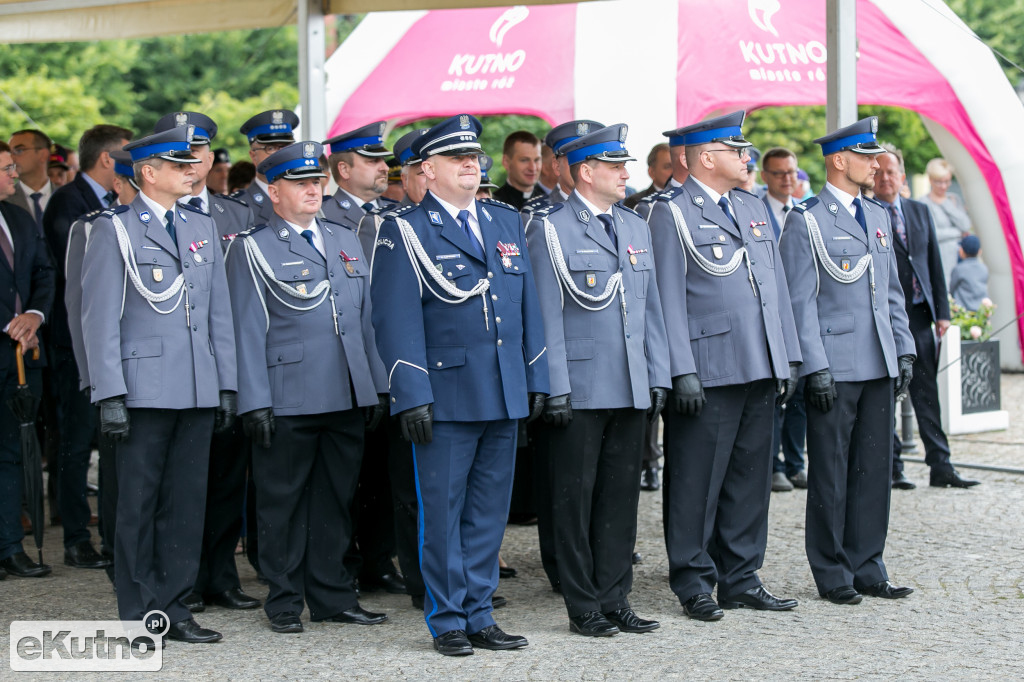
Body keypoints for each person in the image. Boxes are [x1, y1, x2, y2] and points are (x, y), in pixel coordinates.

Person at [370, 114, 548, 656]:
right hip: (444, 394)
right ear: (427, 169)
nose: (471, 163)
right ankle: (447, 617)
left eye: (474, 156)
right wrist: (412, 393)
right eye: (456, 157)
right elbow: (394, 321)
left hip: (501, 387)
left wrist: (535, 373)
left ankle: (480, 611)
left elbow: (527, 306)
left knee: (489, 512)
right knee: (442, 511)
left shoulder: (502, 220)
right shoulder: (405, 230)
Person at [81, 125, 237, 644]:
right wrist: (108, 392)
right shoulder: (116, 230)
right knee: (139, 505)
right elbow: (98, 318)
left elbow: (218, 311)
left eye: (190, 163)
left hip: (195, 385)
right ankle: (140, 611)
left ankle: (176, 605)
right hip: (142, 387)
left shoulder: (200, 227)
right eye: (178, 165)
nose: (191, 170)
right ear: (148, 173)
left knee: (187, 503)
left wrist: (226, 384)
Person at [226, 140, 389, 634]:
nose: (312, 190)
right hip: (288, 394)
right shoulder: (253, 247)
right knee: (282, 502)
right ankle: (283, 599)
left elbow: (364, 320)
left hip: (344, 391)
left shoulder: (344, 238)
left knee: (336, 499)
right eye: (299, 184)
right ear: (273, 192)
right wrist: (253, 400)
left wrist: (376, 385)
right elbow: (246, 329)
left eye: (316, 182)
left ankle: (332, 595)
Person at [647, 111, 801, 622]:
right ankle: (692, 579)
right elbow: (665, 298)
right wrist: (679, 369)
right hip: (708, 366)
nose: (746, 157)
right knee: (695, 478)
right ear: (706, 157)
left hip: (758, 361)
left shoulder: (752, 205)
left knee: (749, 476)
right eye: (736, 149)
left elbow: (774, 289)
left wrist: (786, 355)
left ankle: (741, 576)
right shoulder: (670, 212)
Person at [527, 122, 669, 637]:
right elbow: (544, 314)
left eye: (624, 165)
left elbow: (649, 309)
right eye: (614, 166)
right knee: (573, 499)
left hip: (629, 382)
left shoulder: (633, 226)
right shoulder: (549, 226)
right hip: (581, 387)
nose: (624, 174)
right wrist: (554, 384)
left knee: (619, 498)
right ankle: (582, 604)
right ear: (586, 172)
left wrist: (657, 373)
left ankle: (616, 597)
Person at [779, 117, 916, 606]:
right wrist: (814, 366)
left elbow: (892, 293)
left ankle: (868, 565)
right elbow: (800, 303)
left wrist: (904, 349)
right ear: (839, 160)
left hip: (878, 361)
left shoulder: (877, 215)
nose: (876, 163)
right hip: (835, 365)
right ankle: (833, 571)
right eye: (866, 154)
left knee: (873, 471)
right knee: (832, 472)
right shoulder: (807, 219)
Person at [151, 111, 263, 611]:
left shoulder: (236, 214)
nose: (193, 161)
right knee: (178, 484)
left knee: (226, 479)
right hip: (176, 369)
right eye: (183, 152)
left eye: (201, 152)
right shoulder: (142, 212)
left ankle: (220, 574)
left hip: (230, 361)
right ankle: (182, 581)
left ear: (213, 158)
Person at [43, 124, 133, 572]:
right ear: (107, 160)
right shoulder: (70, 202)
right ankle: (76, 535)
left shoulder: (106, 202)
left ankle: (105, 533)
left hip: (108, 341)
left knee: (101, 442)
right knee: (76, 441)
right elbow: (76, 276)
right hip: (73, 341)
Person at [873, 145, 979, 490]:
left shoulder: (919, 211)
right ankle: (892, 467)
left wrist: (942, 313)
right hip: (885, 320)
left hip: (919, 317)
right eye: (879, 171)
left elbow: (934, 262)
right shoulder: (867, 212)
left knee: (926, 393)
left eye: (892, 172)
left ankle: (941, 465)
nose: (885, 177)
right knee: (887, 394)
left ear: (902, 178)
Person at [63, 150, 139, 583]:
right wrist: (94, 379)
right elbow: (81, 310)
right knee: (116, 478)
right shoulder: (94, 227)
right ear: (121, 184)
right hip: (115, 375)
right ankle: (117, 557)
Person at [0, 141, 55, 579]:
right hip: (7, 339)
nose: (12, 177)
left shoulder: (18, 218)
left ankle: (9, 546)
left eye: (13, 168)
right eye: (5, 169)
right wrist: (8, 321)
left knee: (15, 451)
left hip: (21, 356)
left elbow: (44, 271)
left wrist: (34, 316)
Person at [760, 147, 807, 492]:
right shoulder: (755, 211)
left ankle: (795, 462)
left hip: (800, 316)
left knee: (801, 396)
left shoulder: (804, 212)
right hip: (769, 318)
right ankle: (774, 464)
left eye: (791, 172)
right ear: (765, 177)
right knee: (777, 395)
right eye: (779, 173)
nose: (787, 179)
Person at [521, 120, 603, 227]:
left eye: (592, 159)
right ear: (556, 166)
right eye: (575, 159)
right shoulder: (535, 215)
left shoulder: (615, 210)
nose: (584, 168)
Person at [322, 121, 394, 232]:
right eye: (373, 161)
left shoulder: (398, 210)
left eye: (383, 160)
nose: (385, 168)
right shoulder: (323, 215)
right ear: (344, 169)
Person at [238, 109, 300, 225]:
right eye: (270, 148)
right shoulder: (237, 208)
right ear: (253, 156)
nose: (281, 155)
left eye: (286, 147)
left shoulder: (307, 198)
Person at [920, 158, 972, 285]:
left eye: (947, 181)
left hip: (959, 260)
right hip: (939, 260)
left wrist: (945, 203)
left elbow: (966, 225)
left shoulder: (954, 199)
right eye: (939, 182)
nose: (943, 186)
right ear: (930, 180)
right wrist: (958, 233)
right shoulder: (923, 203)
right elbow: (931, 234)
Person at [6, 129, 55, 232]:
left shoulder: (68, 197)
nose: (11, 158)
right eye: (9, 153)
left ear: (43, 155)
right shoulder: (4, 200)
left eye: (19, 151)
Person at [493, 130, 543, 209]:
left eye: (537, 160)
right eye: (524, 160)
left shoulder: (550, 202)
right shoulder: (494, 205)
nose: (532, 168)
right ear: (506, 162)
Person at [624, 143, 672, 210]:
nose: (675, 171)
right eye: (668, 167)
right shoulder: (635, 202)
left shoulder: (687, 197)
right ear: (652, 172)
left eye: (677, 166)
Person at [949, 235, 989, 311]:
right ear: (979, 251)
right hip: (980, 312)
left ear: (961, 251)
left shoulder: (958, 269)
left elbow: (952, 290)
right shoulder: (984, 269)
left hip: (962, 313)